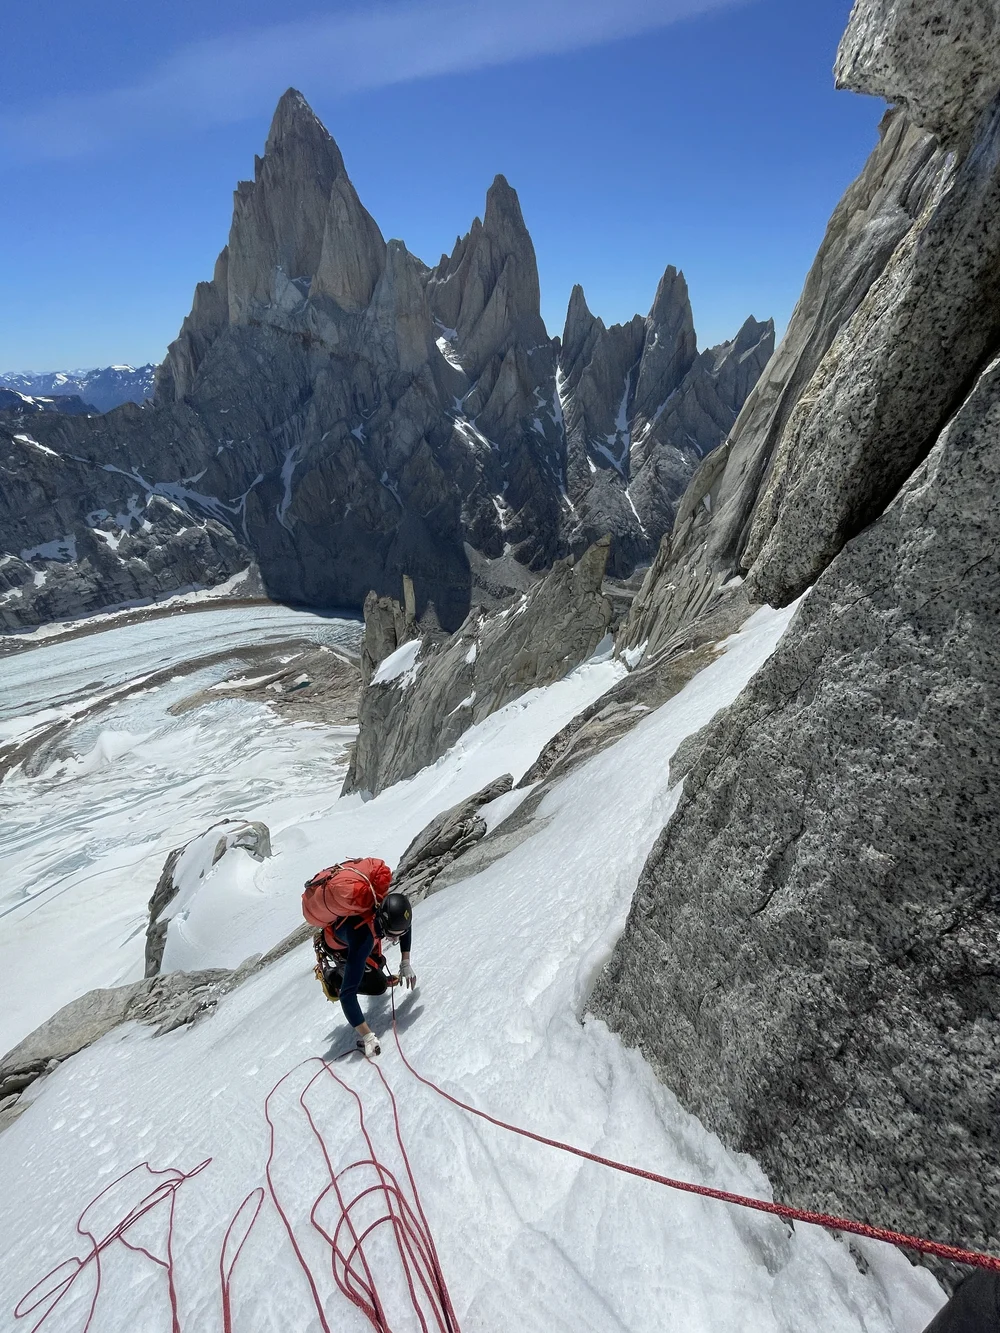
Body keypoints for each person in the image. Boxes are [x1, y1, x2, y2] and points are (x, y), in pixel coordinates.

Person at [313, 883, 416, 1057]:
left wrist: (405, 962)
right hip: (342, 949)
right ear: (384, 924)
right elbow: (347, 995)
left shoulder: (386, 909)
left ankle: (372, 970)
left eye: (399, 934)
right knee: (378, 986)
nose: (396, 938)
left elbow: (404, 924)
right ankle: (333, 978)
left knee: (377, 967)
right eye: (392, 934)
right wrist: (367, 1036)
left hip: (359, 936)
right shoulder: (363, 940)